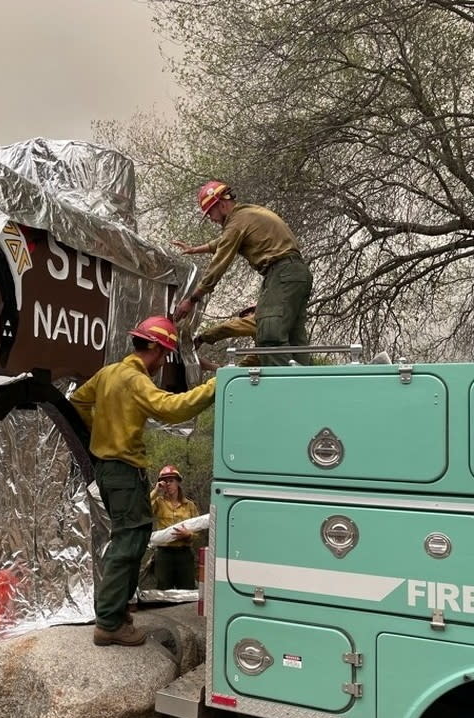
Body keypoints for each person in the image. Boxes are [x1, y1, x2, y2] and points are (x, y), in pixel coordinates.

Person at [70, 315, 216, 647]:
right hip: (123, 470)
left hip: (109, 470)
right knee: (129, 543)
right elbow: (171, 408)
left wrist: (101, 434)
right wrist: (215, 386)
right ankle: (109, 622)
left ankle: (116, 614)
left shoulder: (109, 373)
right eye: (164, 354)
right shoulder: (134, 379)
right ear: (152, 347)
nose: (163, 362)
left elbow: (78, 400)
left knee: (127, 540)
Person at [173, 181, 313, 366]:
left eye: (210, 214)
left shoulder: (237, 222)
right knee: (295, 341)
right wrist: (194, 250)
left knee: (268, 335)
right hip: (297, 274)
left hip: (281, 274)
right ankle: (306, 384)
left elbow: (219, 263)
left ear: (221, 204)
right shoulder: (246, 214)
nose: (212, 219)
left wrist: (192, 300)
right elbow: (223, 241)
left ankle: (285, 391)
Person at [150, 465, 200, 590]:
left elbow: (199, 531)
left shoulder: (189, 505)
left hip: (184, 554)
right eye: (165, 481)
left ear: (178, 482)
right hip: (164, 554)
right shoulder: (158, 503)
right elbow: (143, 510)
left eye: (171, 481)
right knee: (163, 590)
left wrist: (189, 535)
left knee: (187, 589)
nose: (168, 484)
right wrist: (156, 491)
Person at [194, 304, 259, 368]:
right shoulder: (263, 338)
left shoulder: (256, 319)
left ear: (249, 313)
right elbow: (259, 354)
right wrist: (214, 367)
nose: (244, 319)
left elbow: (227, 328)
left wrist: (201, 339)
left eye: (244, 317)